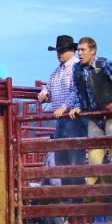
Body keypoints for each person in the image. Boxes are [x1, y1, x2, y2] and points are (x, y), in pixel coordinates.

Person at [62, 37, 112, 185]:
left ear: (92, 51)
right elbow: (78, 90)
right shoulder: (77, 69)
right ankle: (97, 190)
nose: (79, 53)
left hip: (111, 115)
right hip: (94, 116)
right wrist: (79, 105)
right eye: (78, 50)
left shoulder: (105, 64)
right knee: (94, 154)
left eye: (83, 50)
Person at [38, 35, 86, 185]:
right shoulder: (57, 71)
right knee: (61, 158)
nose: (59, 53)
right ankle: (67, 195)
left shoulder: (78, 67)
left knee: (74, 158)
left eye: (63, 50)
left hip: (74, 119)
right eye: (58, 50)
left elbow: (77, 91)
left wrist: (63, 107)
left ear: (72, 50)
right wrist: (44, 93)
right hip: (61, 120)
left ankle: (75, 197)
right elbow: (48, 87)